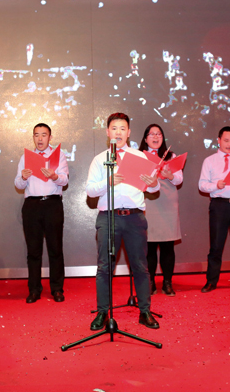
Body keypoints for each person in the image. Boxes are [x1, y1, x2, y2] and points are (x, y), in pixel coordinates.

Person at [86, 112, 161, 330]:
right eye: (114, 128)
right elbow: (90, 190)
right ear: (107, 132)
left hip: (135, 218)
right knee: (104, 267)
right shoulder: (100, 159)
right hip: (108, 217)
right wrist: (108, 182)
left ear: (128, 132)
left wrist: (153, 183)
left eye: (122, 129)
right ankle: (102, 312)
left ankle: (145, 311)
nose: (118, 132)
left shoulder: (140, 156)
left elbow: (153, 188)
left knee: (140, 266)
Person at [14, 123, 69, 303]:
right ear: (33, 137)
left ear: (50, 137)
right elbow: (18, 184)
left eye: (43, 135)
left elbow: (65, 180)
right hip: (32, 205)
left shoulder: (59, 155)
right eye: (36, 135)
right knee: (33, 250)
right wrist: (23, 177)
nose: (40, 138)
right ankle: (34, 289)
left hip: (52, 204)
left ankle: (57, 289)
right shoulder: (26, 157)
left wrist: (54, 176)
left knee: (55, 249)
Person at [198, 126, 230, 292]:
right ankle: (211, 281)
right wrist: (216, 185)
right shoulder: (210, 160)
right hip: (220, 205)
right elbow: (202, 185)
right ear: (218, 140)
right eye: (226, 140)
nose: (229, 144)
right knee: (216, 245)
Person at [138, 124, 183, 296]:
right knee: (149, 245)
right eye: (152, 134)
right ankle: (150, 282)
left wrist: (169, 174)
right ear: (145, 138)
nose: (156, 137)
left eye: (159, 134)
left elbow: (178, 180)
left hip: (167, 202)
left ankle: (167, 282)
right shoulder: (140, 156)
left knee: (167, 246)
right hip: (148, 201)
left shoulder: (171, 156)